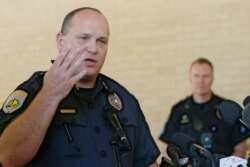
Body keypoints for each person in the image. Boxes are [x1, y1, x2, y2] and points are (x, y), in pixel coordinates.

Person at [0, 7, 160, 167]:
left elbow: (146, 162)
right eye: (84, 38)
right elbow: (7, 158)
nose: (93, 49)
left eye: (101, 41)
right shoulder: (33, 91)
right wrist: (50, 95)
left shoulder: (123, 99)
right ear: (60, 42)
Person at [159, 57, 250, 166]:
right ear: (189, 78)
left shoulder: (227, 109)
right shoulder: (179, 110)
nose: (201, 81)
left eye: (205, 76)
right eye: (196, 76)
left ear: (212, 78)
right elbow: (166, 147)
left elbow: (241, 147)